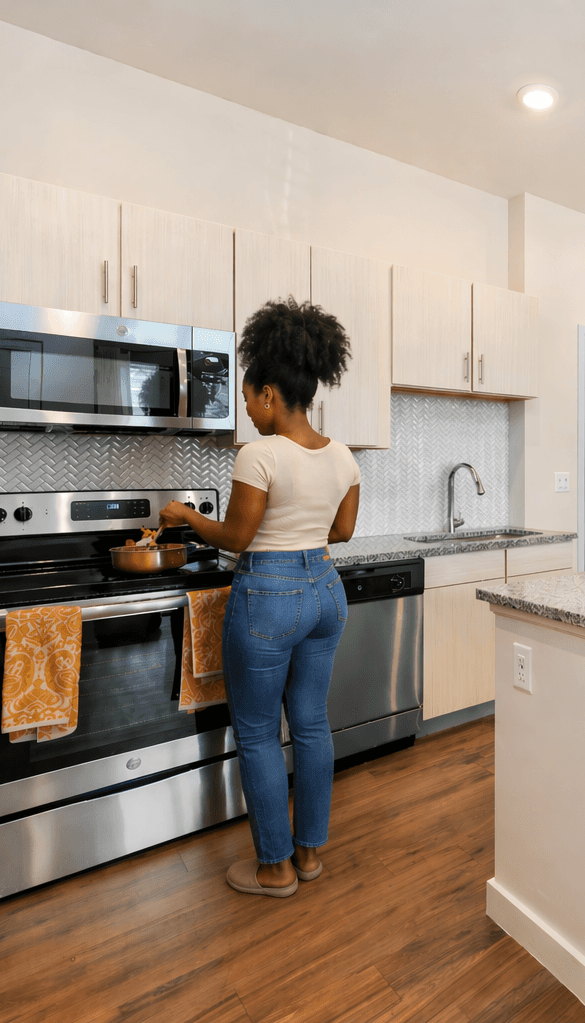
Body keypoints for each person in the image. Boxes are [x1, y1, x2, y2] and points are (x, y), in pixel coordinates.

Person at [161, 297, 360, 898]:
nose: (246, 410)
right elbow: (343, 532)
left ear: (270, 392)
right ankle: (309, 856)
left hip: (267, 596)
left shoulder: (259, 455)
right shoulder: (343, 455)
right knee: (311, 724)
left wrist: (184, 517)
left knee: (255, 731)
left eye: (248, 398)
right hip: (325, 591)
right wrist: (301, 538)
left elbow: (235, 538)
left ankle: (273, 868)